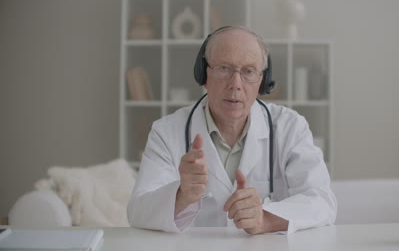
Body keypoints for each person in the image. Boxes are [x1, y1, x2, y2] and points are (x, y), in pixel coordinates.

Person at [127, 26, 337, 234]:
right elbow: (138, 212)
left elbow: (322, 202)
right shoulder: (166, 132)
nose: (235, 84)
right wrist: (183, 194)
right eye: (224, 68)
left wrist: (265, 219)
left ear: (262, 80)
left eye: (248, 71)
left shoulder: (289, 127)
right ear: (204, 74)